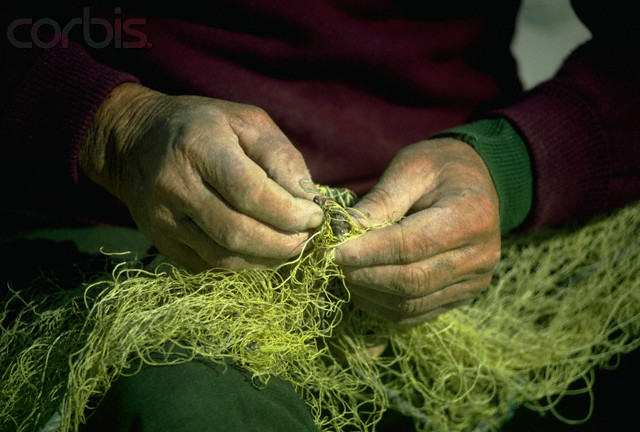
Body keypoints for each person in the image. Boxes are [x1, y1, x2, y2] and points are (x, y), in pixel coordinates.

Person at [1, 1, 639, 430]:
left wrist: (512, 166)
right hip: (119, 214)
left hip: (475, 216)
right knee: (189, 400)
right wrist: (114, 126)